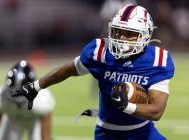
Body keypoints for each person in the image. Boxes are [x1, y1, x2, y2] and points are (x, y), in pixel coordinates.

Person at [13, 5, 175, 140]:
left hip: (142, 132)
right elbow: (68, 70)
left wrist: (126, 106)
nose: (121, 38)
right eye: (118, 31)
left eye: (129, 34)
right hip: (107, 133)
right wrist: (35, 86)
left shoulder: (157, 60)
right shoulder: (100, 52)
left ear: (145, 36)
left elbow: (156, 110)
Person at [0, 60, 55, 140]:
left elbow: (46, 137)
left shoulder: (42, 100)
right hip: (13, 119)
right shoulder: (0, 96)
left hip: (35, 120)